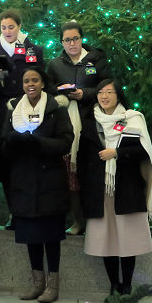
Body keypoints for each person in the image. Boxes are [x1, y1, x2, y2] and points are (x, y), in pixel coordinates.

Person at [78, 78, 152, 302]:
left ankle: (127, 285)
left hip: (127, 188)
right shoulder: (90, 122)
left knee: (127, 238)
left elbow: (144, 152)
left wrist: (117, 153)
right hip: (99, 189)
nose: (104, 96)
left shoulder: (132, 119)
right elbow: (83, 159)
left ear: (118, 95)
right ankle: (114, 285)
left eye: (109, 92)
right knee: (107, 239)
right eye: (101, 92)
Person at [2, 66, 73, 303]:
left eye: (34, 80)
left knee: (50, 236)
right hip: (24, 181)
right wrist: (14, 140)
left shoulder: (56, 109)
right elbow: (4, 142)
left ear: (42, 83)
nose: (30, 84)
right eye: (26, 81)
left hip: (49, 182)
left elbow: (66, 141)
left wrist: (38, 143)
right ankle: (37, 283)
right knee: (31, 236)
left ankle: (53, 285)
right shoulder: (14, 109)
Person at [47, 20, 113, 235]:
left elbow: (108, 87)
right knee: (70, 174)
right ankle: (77, 221)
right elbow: (49, 90)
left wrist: (86, 94)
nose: (72, 43)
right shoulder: (55, 64)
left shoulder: (96, 59)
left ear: (81, 39)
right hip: (67, 125)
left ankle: (97, 221)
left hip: (92, 123)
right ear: (61, 42)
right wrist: (62, 93)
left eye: (75, 38)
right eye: (67, 40)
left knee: (92, 173)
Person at [0, 9, 46, 230]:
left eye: (11, 27)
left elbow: (40, 78)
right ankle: (13, 213)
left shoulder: (33, 49)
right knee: (7, 162)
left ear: (19, 26)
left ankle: (31, 211)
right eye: (4, 27)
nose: (8, 31)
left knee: (27, 160)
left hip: (27, 109)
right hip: (2, 111)